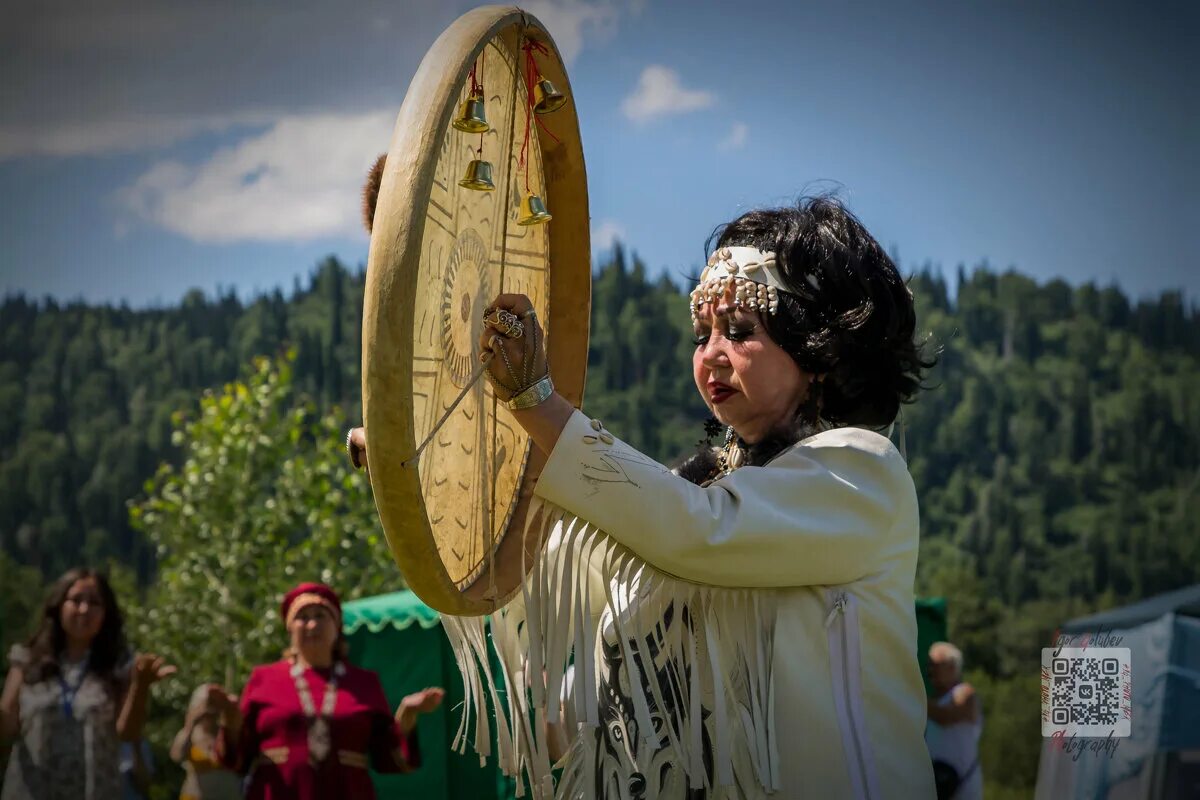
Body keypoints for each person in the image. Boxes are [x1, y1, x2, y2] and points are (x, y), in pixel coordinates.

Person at [351, 196, 938, 798]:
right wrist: (431, 468)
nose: (710, 354)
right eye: (701, 333)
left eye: (739, 331)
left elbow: (696, 533)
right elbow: (547, 571)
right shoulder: (697, 490)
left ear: (818, 349)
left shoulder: (862, 471)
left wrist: (537, 400)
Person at [214, 581, 444, 800]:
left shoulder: (363, 682)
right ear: (290, 629)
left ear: (337, 628)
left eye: (321, 616)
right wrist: (231, 720)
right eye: (302, 618)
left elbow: (389, 758)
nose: (312, 624)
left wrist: (407, 714)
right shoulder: (263, 679)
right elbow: (237, 760)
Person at [0, 567, 176, 800]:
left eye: (94, 603)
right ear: (59, 606)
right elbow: (6, 727)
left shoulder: (119, 665)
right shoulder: (27, 659)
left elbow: (128, 733)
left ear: (106, 613)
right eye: (75, 600)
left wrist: (140, 686)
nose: (84, 609)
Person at [926, 642, 982, 800]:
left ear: (952, 667)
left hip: (962, 786)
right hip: (939, 784)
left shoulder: (965, 693)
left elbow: (946, 717)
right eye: (929, 665)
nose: (931, 670)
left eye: (936, 665)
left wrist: (916, 698)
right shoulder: (934, 700)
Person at [170, 685, 242, 800]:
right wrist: (190, 724)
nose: (210, 708)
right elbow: (177, 756)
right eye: (208, 702)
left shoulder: (226, 733)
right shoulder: (190, 734)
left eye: (214, 702)